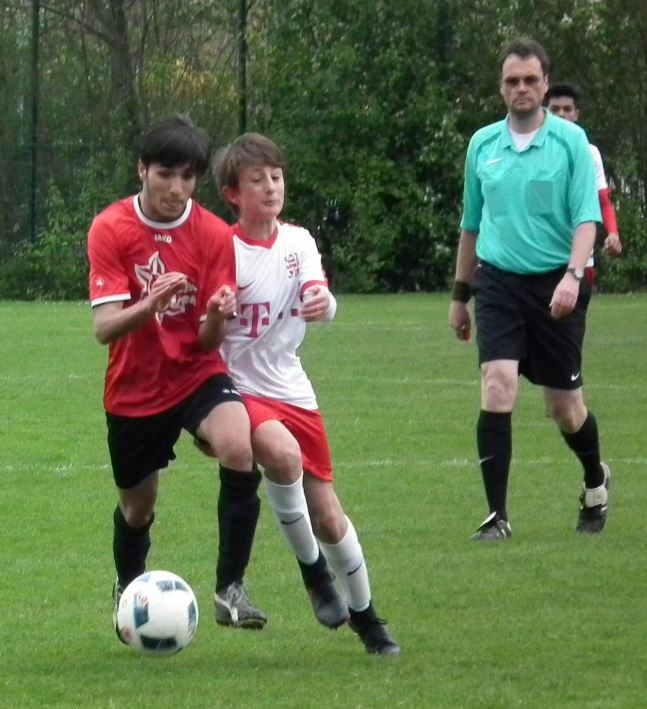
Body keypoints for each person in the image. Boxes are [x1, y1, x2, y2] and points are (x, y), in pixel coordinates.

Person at [207, 132, 400, 655]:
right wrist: (218, 312)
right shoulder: (222, 248)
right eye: (257, 180)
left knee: (330, 518)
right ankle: (314, 573)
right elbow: (208, 324)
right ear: (233, 194)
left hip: (292, 386)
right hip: (236, 386)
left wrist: (324, 303)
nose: (271, 187)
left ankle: (367, 619)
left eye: (276, 177)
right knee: (282, 454)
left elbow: (321, 295)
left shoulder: (299, 242)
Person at [87, 114, 267, 639]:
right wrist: (150, 304)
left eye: (188, 176)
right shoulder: (111, 228)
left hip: (195, 371)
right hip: (135, 388)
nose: (176, 188)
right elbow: (104, 328)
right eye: (165, 174)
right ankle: (129, 590)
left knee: (238, 444)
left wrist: (215, 314)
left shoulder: (212, 234)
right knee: (137, 509)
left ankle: (231, 589)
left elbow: (210, 342)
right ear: (142, 170)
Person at [448, 38, 611, 540]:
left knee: (564, 407)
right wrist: (459, 296)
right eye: (511, 81)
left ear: (544, 84)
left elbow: (587, 219)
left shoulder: (571, 142)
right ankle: (496, 517)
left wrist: (572, 276)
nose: (521, 88)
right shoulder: (482, 145)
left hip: (558, 282)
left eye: (530, 80)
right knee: (498, 383)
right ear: (501, 88)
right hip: (498, 281)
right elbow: (471, 225)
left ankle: (595, 480)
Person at [545, 82, 622, 286]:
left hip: (580, 259)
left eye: (567, 109)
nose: (561, 114)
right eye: (555, 109)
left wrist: (613, 233)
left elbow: (602, 200)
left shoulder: (590, 153)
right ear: (545, 113)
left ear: (576, 114)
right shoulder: (535, 151)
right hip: (542, 259)